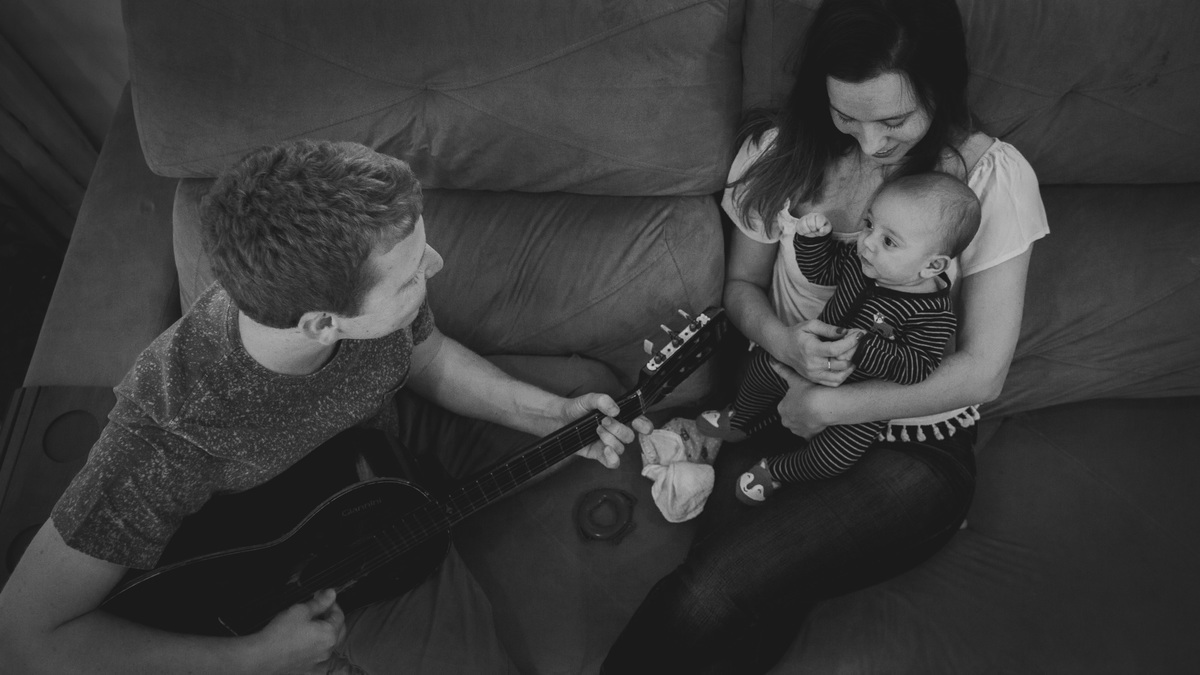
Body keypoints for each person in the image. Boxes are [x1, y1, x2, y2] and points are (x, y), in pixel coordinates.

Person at [0, 139, 650, 675]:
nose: (437, 263)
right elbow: (25, 637)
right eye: (410, 276)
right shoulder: (172, 428)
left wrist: (543, 413)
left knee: (601, 430)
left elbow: (426, 356)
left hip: (376, 453)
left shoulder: (368, 271)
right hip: (311, 554)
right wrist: (255, 656)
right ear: (319, 323)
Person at [603, 0, 1048, 672]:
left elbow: (983, 371)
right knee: (728, 590)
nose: (870, 144)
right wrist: (789, 349)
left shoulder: (989, 180)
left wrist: (833, 405)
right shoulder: (778, 154)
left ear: (939, 86)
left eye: (894, 120)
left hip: (910, 443)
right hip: (774, 409)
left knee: (720, 588)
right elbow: (741, 291)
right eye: (847, 115)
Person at [696, 172, 981, 504]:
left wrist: (865, 347)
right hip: (811, 361)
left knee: (835, 457)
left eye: (889, 241)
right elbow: (821, 272)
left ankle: (778, 471)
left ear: (932, 266)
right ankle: (741, 419)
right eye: (870, 224)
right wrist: (812, 241)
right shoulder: (860, 262)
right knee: (762, 369)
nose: (869, 242)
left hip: (856, 402)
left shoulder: (932, 316)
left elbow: (917, 368)